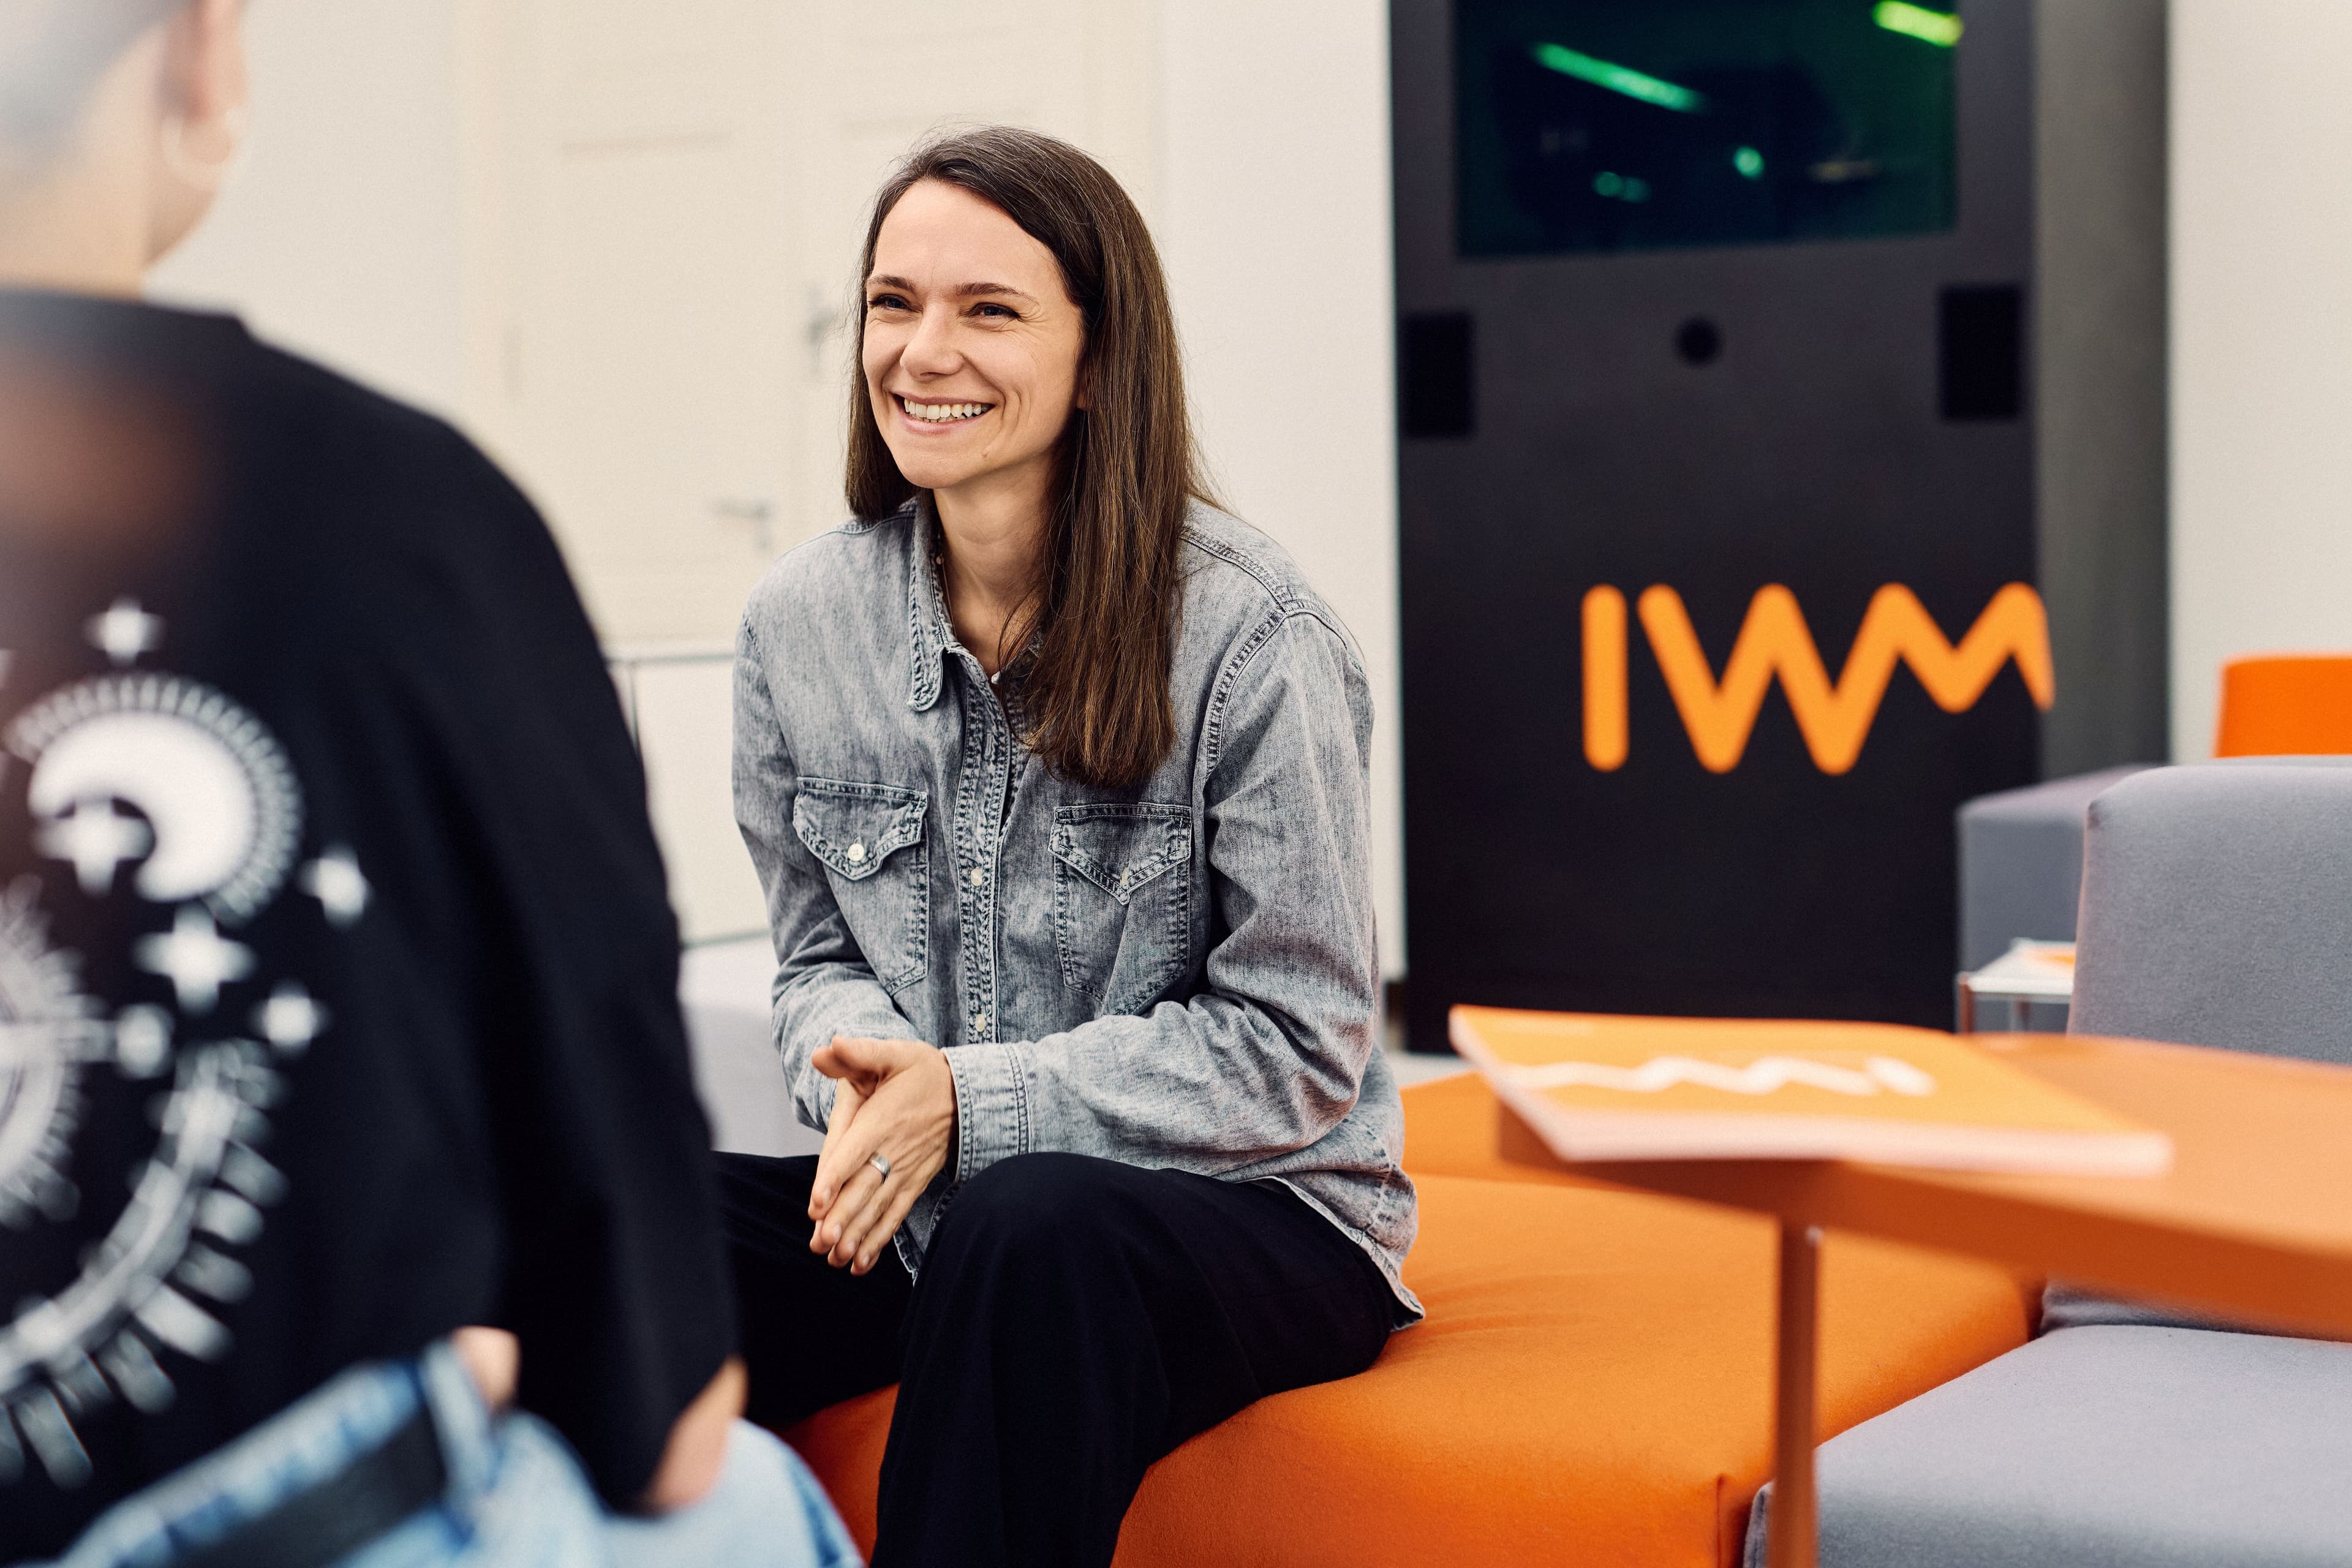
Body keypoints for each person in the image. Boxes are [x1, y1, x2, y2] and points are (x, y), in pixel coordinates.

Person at [0, 3, 854, 1564]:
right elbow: (659, 1417)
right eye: (894, 306)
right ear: (203, 54)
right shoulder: (409, 526)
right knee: (745, 1499)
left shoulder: (1236, 631)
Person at [723, 126, 1421, 1567]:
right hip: (944, 1212)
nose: (926, 351)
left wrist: (969, 1104)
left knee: (1028, 1231)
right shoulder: (797, 629)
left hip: (1260, 1214)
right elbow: (808, 958)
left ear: (1099, 359)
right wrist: (870, 1074)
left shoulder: (1251, 638)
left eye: (990, 310)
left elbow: (1301, 1045)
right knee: (609, 1209)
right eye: (892, 301)